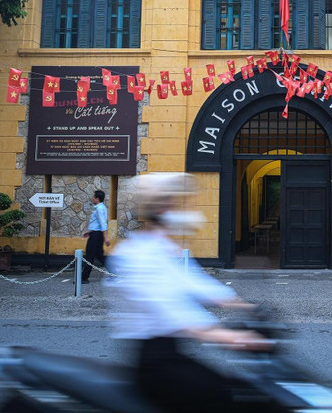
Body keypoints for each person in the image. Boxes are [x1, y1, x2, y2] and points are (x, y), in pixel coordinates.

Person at [106, 173, 275, 412]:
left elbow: (196, 283)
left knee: (239, 389)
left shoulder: (163, 248)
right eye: (179, 203)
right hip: (156, 365)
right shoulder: (137, 255)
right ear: (162, 209)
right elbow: (171, 311)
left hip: (172, 355)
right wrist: (231, 338)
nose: (186, 209)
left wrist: (243, 304)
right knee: (224, 396)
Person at [81, 189, 109, 284]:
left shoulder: (99, 209)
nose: (92, 198)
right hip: (96, 234)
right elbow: (98, 223)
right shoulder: (101, 207)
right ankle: (114, 272)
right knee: (99, 256)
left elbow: (103, 223)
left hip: (96, 235)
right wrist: (90, 232)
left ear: (97, 198)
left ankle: (84, 277)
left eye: (94, 197)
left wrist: (106, 237)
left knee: (90, 255)